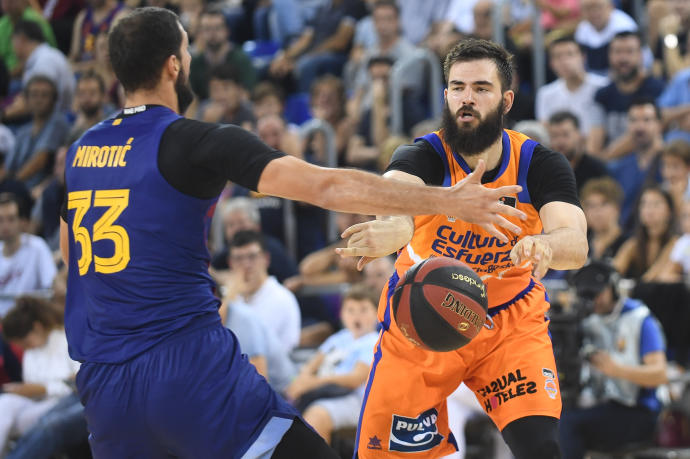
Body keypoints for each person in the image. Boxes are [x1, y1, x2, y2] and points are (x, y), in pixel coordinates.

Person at [59, 8, 525, 458]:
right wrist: (447, 201)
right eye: (188, 50)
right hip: (184, 364)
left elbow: (71, 257)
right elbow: (326, 184)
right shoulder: (197, 140)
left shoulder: (82, 150)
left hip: (104, 383)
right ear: (174, 65)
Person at [337, 38, 588, 458]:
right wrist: (394, 230)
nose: (466, 99)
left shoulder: (539, 164)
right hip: (422, 320)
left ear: (506, 99)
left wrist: (545, 245)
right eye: (457, 87)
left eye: (480, 88)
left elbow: (575, 242)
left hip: (508, 322)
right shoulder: (423, 155)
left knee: (539, 446)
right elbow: (396, 199)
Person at [562, 261, 668, 459]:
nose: (594, 301)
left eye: (598, 293)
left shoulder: (640, 318)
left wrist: (616, 369)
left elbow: (660, 374)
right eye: (588, 296)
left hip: (639, 411)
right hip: (599, 403)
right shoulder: (586, 319)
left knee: (568, 424)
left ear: (614, 288)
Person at [285, 283, 380, 445]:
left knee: (317, 415)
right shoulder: (339, 338)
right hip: (324, 392)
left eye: (364, 310)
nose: (357, 316)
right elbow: (312, 364)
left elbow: (355, 379)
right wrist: (301, 381)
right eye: (350, 310)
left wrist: (312, 383)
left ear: (377, 313)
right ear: (342, 314)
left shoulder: (374, 341)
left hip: (358, 400)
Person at [0, 296, 80, 455]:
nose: (25, 348)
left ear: (37, 327)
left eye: (26, 342)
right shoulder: (31, 353)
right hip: (38, 404)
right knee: (5, 402)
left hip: (64, 402)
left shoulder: (66, 340)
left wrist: (43, 389)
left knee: (42, 424)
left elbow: (77, 384)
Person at [223, 230, 301, 352]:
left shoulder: (281, 298)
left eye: (252, 257)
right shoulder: (228, 295)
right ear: (230, 263)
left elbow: (254, 344)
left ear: (266, 258)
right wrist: (231, 296)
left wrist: (231, 297)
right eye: (238, 258)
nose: (246, 264)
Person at [536, 36, 608, 136]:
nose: (564, 61)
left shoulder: (603, 86)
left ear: (583, 57)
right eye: (558, 56)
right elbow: (545, 132)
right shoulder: (545, 93)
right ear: (551, 63)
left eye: (570, 54)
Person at [0, 193, 56, 316]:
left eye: (11, 219)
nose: (5, 226)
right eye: (1, 220)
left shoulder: (37, 247)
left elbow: (51, 287)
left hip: (26, 322)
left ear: (22, 222)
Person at [613, 186, 679, 282]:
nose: (649, 210)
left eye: (656, 204)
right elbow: (615, 270)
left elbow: (651, 277)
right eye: (645, 204)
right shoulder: (633, 244)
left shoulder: (676, 243)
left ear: (669, 211)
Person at [546, 111, 609, 193]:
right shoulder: (545, 170)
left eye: (565, 134)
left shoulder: (596, 169)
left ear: (579, 134)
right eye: (554, 136)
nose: (560, 141)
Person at [580, 177, 627, 261]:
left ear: (617, 208)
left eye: (604, 204)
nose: (597, 211)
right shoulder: (581, 243)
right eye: (591, 206)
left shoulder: (629, 243)